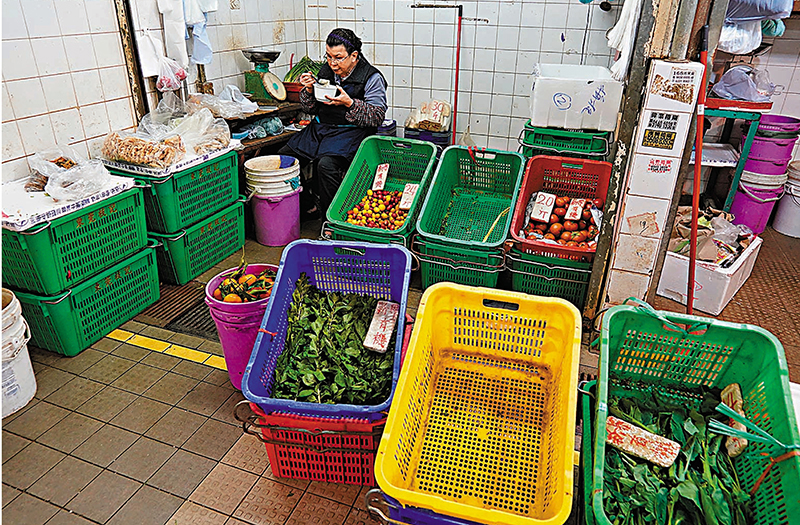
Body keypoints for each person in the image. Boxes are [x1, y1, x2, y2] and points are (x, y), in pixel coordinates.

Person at [278, 28, 388, 220]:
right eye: (328, 56)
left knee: (326, 165)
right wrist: (309, 90)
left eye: (338, 57)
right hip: (320, 129)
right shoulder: (326, 70)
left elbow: (377, 116)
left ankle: (333, 220)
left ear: (354, 56)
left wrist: (350, 103)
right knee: (285, 159)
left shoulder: (371, 77)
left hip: (351, 133)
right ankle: (309, 205)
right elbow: (310, 108)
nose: (332, 63)